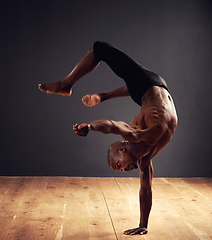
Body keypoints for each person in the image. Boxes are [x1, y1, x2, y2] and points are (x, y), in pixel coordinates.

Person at [38, 41, 178, 235]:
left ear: (122, 149)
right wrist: (143, 225)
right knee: (135, 84)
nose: (122, 170)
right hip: (150, 91)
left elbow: (113, 126)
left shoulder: (137, 135)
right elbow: (146, 190)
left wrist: (90, 126)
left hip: (150, 85)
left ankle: (65, 85)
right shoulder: (146, 159)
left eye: (117, 165)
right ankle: (102, 96)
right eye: (119, 169)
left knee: (99, 48)